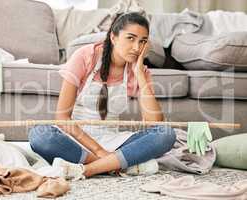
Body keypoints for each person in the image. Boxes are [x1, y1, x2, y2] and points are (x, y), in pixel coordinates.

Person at [29, 12, 176, 180]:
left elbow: (154, 123)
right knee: (40, 135)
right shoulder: (85, 56)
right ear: (113, 37)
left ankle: (87, 170)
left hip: (113, 141)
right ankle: (115, 165)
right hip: (77, 140)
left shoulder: (138, 71)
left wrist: (140, 76)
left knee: (166, 134)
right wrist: (99, 152)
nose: (137, 47)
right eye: (131, 38)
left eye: (142, 41)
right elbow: (62, 117)